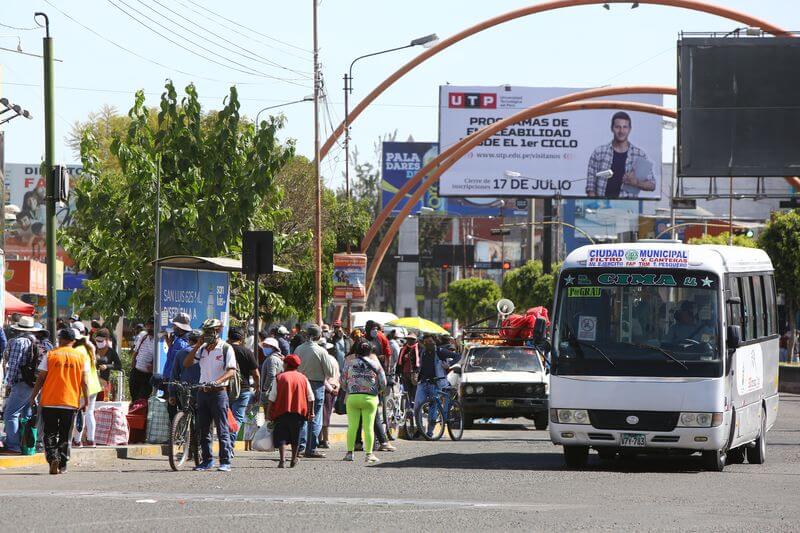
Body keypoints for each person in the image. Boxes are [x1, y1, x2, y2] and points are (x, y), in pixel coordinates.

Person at [28, 328, 90, 474]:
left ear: (60, 339)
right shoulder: (81, 357)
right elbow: (85, 382)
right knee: (65, 434)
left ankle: (52, 458)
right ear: (73, 341)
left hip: (49, 400)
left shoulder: (51, 355)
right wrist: (86, 401)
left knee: (49, 432)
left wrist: (33, 396)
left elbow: (41, 378)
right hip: (70, 402)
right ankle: (62, 464)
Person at [183, 318, 237, 472]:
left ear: (218, 331)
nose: (207, 334)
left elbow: (232, 371)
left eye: (210, 331)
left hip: (218, 394)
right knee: (203, 429)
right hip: (202, 394)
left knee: (222, 428)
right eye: (205, 331)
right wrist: (197, 345)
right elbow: (187, 364)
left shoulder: (226, 348)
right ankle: (207, 460)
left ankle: (225, 461)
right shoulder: (202, 349)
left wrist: (217, 381)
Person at [585, 111, 656, 198]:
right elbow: (590, 187)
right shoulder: (599, 152)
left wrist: (636, 182)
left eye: (625, 127)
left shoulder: (639, 155)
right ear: (612, 128)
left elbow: (652, 185)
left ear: (630, 129)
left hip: (627, 209)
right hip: (600, 207)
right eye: (617, 127)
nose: (621, 131)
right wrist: (595, 207)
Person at [1, 317, 43, 454]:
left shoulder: (19, 341)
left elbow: (13, 365)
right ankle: (26, 444)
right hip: (33, 383)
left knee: (10, 414)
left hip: (21, 383)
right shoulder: (35, 341)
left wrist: (8, 382)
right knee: (26, 414)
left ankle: (13, 446)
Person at [265, 354, 314, 468]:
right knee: (295, 436)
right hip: (298, 412)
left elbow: (272, 397)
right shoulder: (303, 378)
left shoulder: (280, 377)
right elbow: (311, 398)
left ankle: (282, 460)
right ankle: (293, 459)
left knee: (281, 435)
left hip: (281, 411)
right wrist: (311, 412)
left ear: (287, 364)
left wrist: (268, 413)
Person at [342, 340, 387, 464]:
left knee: (352, 426)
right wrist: (377, 390)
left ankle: (349, 453)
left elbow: (342, 381)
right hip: (370, 399)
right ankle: (369, 454)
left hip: (353, 398)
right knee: (368, 427)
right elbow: (384, 383)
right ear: (370, 351)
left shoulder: (349, 363)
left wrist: (350, 389)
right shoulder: (375, 364)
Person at [296, 324, 336, 458]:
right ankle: (311, 448)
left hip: (301, 384)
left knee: (302, 416)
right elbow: (330, 372)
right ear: (319, 336)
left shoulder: (298, 349)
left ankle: (300, 447)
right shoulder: (321, 351)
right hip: (317, 386)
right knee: (314, 417)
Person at [414, 333, 461, 438]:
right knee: (417, 406)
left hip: (436, 383)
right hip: (422, 383)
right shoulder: (423, 352)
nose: (428, 343)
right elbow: (422, 366)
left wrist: (449, 364)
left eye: (430, 341)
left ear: (434, 341)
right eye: (426, 342)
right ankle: (420, 429)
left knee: (433, 408)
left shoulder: (440, 352)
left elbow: (458, 356)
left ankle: (429, 433)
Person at [227, 327, 260, 450]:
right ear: (241, 339)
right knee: (237, 418)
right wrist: (257, 386)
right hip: (243, 389)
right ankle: (229, 445)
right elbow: (256, 374)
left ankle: (227, 442)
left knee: (225, 416)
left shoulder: (224, 350)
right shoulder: (247, 352)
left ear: (229, 337)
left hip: (225, 389)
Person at [71, 324, 102, 448]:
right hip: (93, 386)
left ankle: (77, 441)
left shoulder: (77, 351)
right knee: (89, 413)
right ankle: (90, 440)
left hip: (83, 387)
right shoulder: (88, 348)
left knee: (80, 414)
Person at [167, 329, 202, 417]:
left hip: (185, 389)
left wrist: (172, 394)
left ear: (189, 341)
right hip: (201, 389)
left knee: (185, 411)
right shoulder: (205, 353)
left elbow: (174, 374)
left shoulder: (180, 353)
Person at [319, 342, 340, 449]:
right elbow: (338, 376)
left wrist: (331, 389)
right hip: (334, 389)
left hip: (328, 390)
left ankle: (325, 440)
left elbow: (323, 378)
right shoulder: (334, 360)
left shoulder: (325, 360)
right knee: (326, 415)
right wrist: (336, 388)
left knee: (323, 416)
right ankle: (322, 439)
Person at [129, 317, 155, 401]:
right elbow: (136, 351)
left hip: (147, 375)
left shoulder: (159, 341)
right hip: (136, 371)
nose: (150, 328)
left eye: (152, 326)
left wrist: (153, 367)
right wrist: (133, 362)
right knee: (134, 395)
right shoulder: (143, 336)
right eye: (148, 326)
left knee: (142, 398)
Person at [94, 328, 122, 401]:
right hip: (92, 383)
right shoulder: (92, 349)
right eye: (97, 341)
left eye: (101, 341)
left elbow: (119, 365)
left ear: (106, 340)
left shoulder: (111, 352)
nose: (98, 342)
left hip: (104, 384)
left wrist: (107, 366)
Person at [163, 312, 192, 382]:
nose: (173, 327)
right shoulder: (179, 340)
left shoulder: (180, 342)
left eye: (174, 325)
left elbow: (175, 363)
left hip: (173, 380)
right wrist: (170, 344)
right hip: (172, 378)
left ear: (180, 327)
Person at [396, 334, 421, 404]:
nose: (409, 341)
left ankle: (414, 406)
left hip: (415, 373)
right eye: (408, 339)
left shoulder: (419, 349)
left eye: (411, 339)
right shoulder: (403, 349)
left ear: (415, 340)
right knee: (406, 392)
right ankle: (407, 408)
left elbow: (421, 362)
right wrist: (397, 373)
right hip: (405, 373)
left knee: (415, 392)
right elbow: (399, 362)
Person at [260, 337, 284, 402]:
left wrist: (265, 389)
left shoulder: (272, 359)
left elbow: (271, 375)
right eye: (264, 346)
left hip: (270, 392)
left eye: (266, 346)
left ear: (273, 347)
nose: (264, 348)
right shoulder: (277, 357)